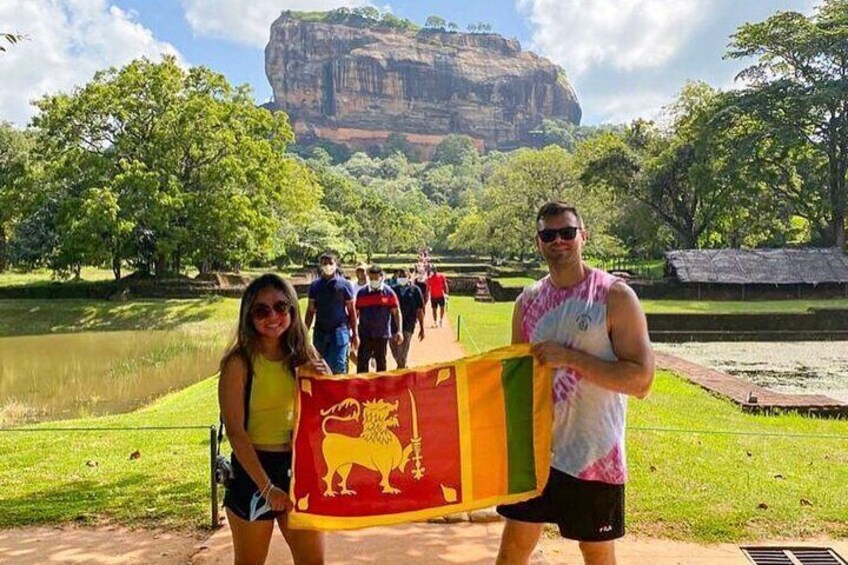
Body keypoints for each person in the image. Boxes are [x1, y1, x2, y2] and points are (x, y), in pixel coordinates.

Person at [496, 202, 655, 565]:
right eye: (549, 235)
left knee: (596, 554)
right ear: (538, 243)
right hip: (536, 454)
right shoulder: (528, 302)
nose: (559, 241)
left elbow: (642, 381)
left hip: (593, 455)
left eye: (567, 232)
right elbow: (519, 381)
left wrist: (570, 358)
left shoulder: (614, 296)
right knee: (513, 548)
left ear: (584, 236)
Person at [218, 274, 330, 565]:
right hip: (253, 470)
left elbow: (330, 412)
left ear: (292, 310)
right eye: (261, 310)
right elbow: (236, 432)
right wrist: (267, 488)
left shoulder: (304, 354)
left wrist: (324, 380)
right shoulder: (238, 363)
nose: (273, 316)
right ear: (249, 316)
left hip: (298, 468)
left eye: (281, 307)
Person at [305, 252, 358, 374]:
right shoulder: (315, 286)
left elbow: (351, 311)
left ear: (336, 264)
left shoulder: (345, 285)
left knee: (339, 366)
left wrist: (355, 334)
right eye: (324, 263)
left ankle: (340, 392)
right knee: (320, 367)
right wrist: (304, 331)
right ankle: (325, 393)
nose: (327, 265)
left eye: (330, 263)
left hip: (339, 331)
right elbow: (310, 310)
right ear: (320, 265)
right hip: (320, 332)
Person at [355, 264, 403, 373]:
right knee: (362, 362)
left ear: (381, 277)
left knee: (381, 362)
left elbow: (396, 313)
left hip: (382, 334)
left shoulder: (389, 293)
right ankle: (362, 387)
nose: (373, 280)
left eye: (376, 278)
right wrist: (353, 332)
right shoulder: (362, 293)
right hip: (365, 333)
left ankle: (381, 388)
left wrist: (399, 331)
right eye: (371, 278)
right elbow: (356, 313)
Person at [388, 267, 425, 369]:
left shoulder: (415, 290)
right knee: (395, 351)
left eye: (404, 276)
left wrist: (422, 328)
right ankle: (403, 367)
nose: (402, 278)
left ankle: (401, 373)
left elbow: (419, 310)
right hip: (392, 325)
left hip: (408, 325)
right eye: (400, 276)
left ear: (409, 276)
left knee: (403, 353)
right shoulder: (392, 290)